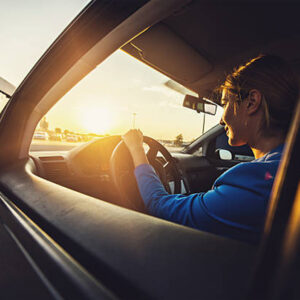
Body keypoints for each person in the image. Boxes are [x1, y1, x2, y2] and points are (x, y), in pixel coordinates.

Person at [122, 54, 299, 244]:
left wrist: (136, 149)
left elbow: (160, 206)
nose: (222, 119)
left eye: (225, 103)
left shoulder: (257, 182)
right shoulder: (283, 168)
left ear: (251, 102)